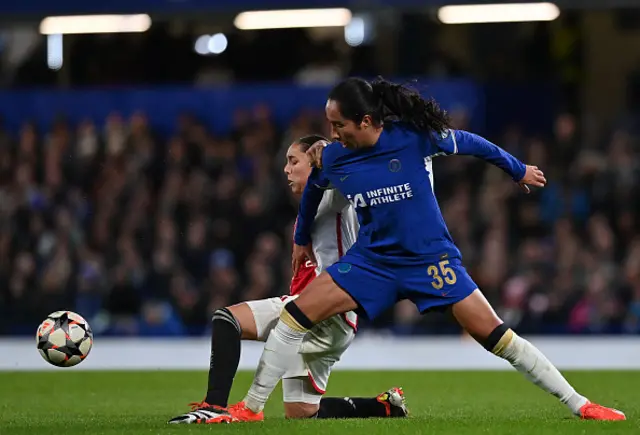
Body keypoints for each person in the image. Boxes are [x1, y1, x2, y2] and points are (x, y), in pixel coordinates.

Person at [225, 77, 626, 422]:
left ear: (366, 121)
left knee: (498, 337)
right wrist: (300, 239)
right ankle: (251, 407)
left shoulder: (413, 139)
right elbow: (313, 191)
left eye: (338, 124)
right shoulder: (334, 157)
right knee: (295, 316)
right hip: (373, 261)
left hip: (430, 261)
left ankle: (581, 405)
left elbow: (470, 142)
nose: (332, 133)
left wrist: (515, 168)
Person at [168, 135, 408, 424]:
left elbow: (356, 173)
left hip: (324, 310)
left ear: (316, 163)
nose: (286, 169)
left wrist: (332, 155)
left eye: (294, 161)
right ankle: (382, 407)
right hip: (335, 320)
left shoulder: (335, 195)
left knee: (227, 319)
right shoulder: (313, 206)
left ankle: (215, 406)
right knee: (301, 413)